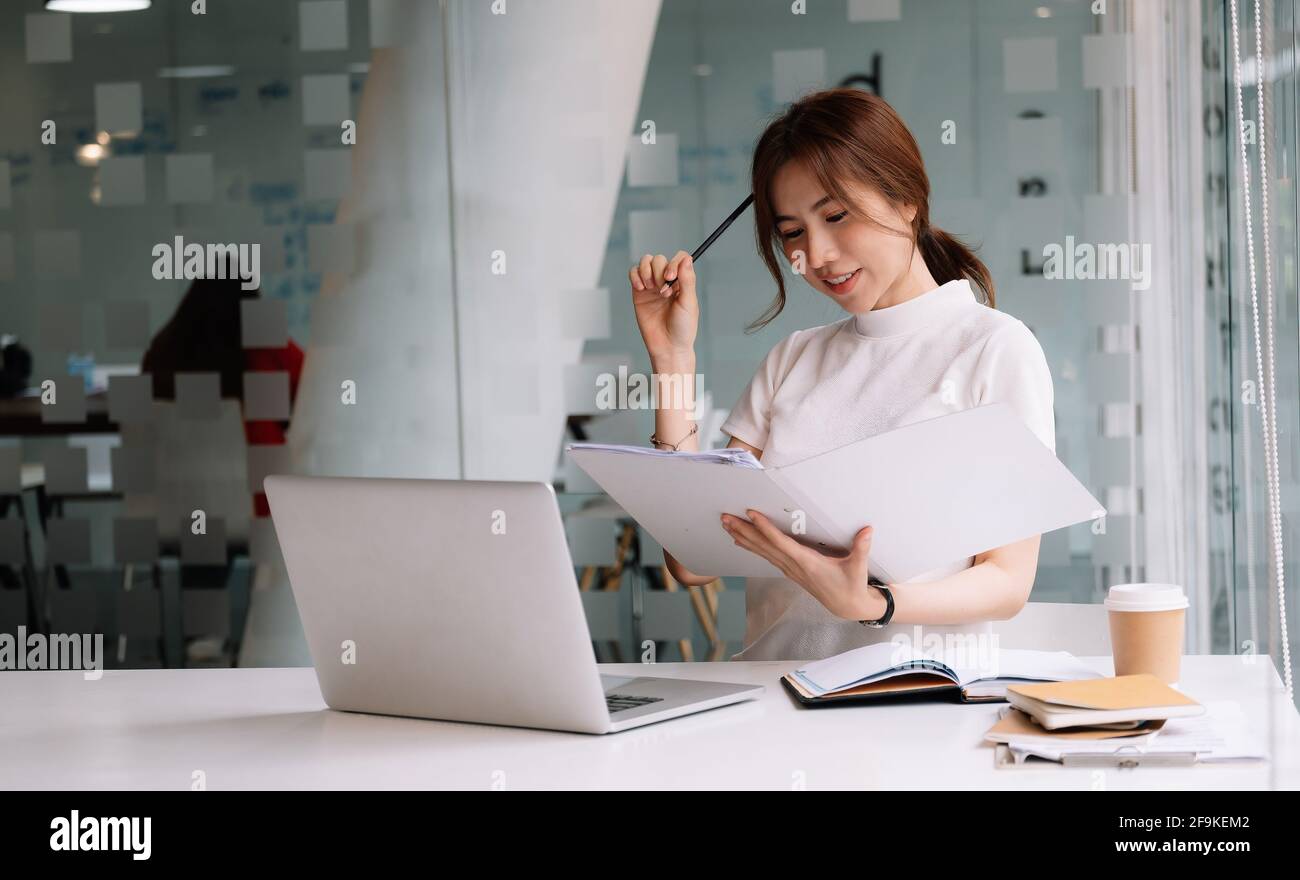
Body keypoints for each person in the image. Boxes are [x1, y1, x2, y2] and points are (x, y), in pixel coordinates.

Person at [628, 88, 1055, 661]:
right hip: (769, 706)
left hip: (912, 708)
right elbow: (693, 559)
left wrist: (877, 603)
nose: (819, 255)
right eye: (793, 232)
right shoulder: (793, 360)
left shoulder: (995, 350)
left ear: (907, 199)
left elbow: (1007, 582)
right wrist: (673, 361)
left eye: (836, 216)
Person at [141, 273, 304, 518]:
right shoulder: (267, 351)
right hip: (263, 508)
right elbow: (312, 389)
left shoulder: (161, 356)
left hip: (171, 511)